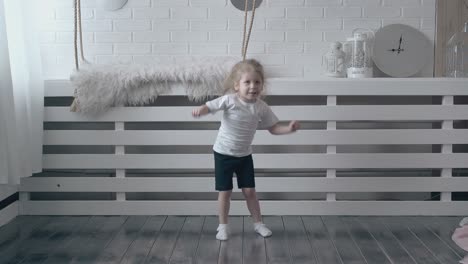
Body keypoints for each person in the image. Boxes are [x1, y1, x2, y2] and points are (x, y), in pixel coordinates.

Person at [192, 59, 300, 241]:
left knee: (250, 192)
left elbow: (273, 128)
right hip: (223, 154)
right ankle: (223, 226)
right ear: (237, 85)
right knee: (225, 192)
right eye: (247, 82)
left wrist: (289, 129)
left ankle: (258, 224)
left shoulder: (261, 107)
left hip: (244, 156)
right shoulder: (229, 100)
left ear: (262, 85)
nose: (253, 86)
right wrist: (200, 111)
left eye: (257, 82)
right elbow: (210, 106)